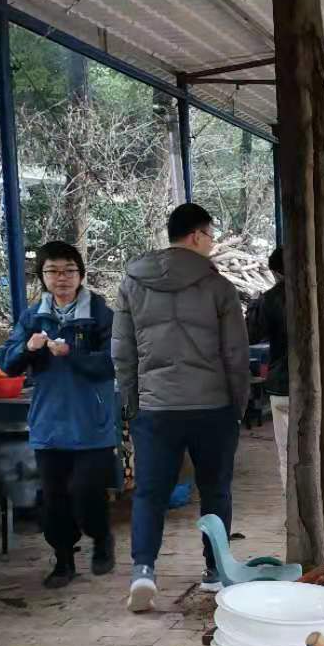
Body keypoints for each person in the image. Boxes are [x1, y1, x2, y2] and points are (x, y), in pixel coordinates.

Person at [113, 202, 249, 611]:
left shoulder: (131, 284)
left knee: (150, 493)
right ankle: (214, 570)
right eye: (209, 236)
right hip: (212, 407)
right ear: (196, 236)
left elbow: (123, 354)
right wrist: (237, 406)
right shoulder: (218, 286)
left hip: (156, 408)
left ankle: (143, 571)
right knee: (215, 490)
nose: (211, 244)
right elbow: (236, 356)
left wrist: (135, 405)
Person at [2, 240, 117, 588]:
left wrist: (72, 354)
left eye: (69, 270)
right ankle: (64, 560)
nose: (61, 277)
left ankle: (101, 537)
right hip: (49, 423)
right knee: (54, 500)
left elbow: (113, 363)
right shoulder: (33, 316)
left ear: (81, 274)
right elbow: (8, 365)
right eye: (53, 271)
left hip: (91, 423)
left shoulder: (99, 313)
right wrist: (28, 347)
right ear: (43, 276)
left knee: (86, 492)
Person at [246, 246, 290, 490]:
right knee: (315, 447)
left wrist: (254, 307)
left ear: (276, 271)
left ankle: (291, 503)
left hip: (282, 384)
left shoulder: (270, 299)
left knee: (286, 452)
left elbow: (252, 334)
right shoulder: (321, 295)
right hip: (315, 386)